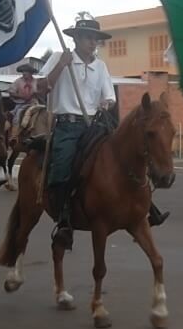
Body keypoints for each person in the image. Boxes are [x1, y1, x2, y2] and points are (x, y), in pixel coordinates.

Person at [41, 18, 168, 250]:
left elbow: (108, 96)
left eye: (96, 39)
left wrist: (107, 104)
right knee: (62, 168)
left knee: (125, 156)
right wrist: (61, 65)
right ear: (76, 38)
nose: (93, 43)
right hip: (68, 126)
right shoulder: (60, 59)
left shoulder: (100, 66)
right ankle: (63, 220)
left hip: (94, 124)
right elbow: (42, 88)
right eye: (88, 37)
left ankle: (147, 208)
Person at [9, 60, 43, 142]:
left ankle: (36, 130)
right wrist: (21, 96)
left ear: (31, 73)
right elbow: (11, 92)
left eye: (26, 72)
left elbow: (41, 92)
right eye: (23, 72)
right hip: (21, 104)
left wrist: (37, 93)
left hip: (33, 103)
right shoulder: (18, 81)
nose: (24, 73)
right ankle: (14, 136)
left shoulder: (36, 82)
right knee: (17, 116)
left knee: (40, 112)